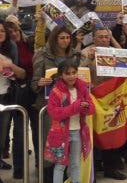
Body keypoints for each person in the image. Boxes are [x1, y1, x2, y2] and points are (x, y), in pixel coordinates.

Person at [32, 25, 81, 181]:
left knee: (72, 146)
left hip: (72, 107)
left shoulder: (75, 55)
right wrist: (40, 82)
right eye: (62, 38)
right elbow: (34, 82)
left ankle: (69, 176)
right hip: (49, 107)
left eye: (68, 37)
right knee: (51, 143)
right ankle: (48, 175)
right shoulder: (43, 55)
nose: (65, 41)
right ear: (54, 39)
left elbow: (84, 75)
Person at [80, 27, 127, 180]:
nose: (104, 40)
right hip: (94, 98)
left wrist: (114, 40)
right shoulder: (85, 52)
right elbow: (80, 73)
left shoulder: (113, 50)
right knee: (94, 134)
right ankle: (92, 169)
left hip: (113, 97)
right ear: (94, 38)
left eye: (106, 37)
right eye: (100, 37)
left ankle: (111, 168)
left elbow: (125, 58)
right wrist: (89, 59)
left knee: (111, 132)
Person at [44, 59, 94, 183]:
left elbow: (92, 108)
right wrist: (75, 107)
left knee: (75, 163)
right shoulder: (56, 92)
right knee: (60, 165)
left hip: (77, 131)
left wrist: (86, 107)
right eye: (68, 73)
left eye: (74, 72)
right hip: (60, 134)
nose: (72, 76)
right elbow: (54, 112)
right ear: (61, 75)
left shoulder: (82, 88)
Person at [4, 21, 35, 179]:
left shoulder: (30, 42)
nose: (14, 34)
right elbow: (15, 73)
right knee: (19, 131)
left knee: (38, 129)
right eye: (10, 33)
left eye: (15, 30)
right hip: (18, 91)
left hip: (36, 89)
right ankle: (19, 169)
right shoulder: (8, 48)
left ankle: (41, 164)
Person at [0, 19, 26, 174]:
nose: (0, 34)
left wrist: (9, 66)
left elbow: (19, 74)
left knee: (2, 136)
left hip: (6, 97)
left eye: (2, 31)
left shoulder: (12, 47)